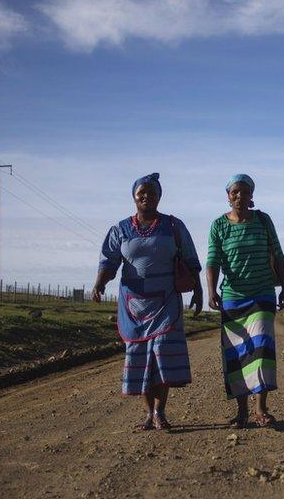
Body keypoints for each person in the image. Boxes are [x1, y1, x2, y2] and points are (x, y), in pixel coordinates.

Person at [92, 173, 203, 431]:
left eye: (152, 193)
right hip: (134, 305)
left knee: (162, 353)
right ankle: (148, 414)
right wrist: (100, 282)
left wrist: (198, 291)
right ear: (134, 196)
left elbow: (190, 260)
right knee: (140, 356)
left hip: (166, 302)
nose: (146, 196)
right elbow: (108, 261)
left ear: (159, 197)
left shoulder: (174, 226)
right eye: (141, 192)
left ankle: (159, 411)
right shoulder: (120, 229)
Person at [206, 174, 284, 428]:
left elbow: (278, 253)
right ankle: (241, 412)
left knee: (262, 350)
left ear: (252, 195)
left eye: (245, 192)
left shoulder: (263, 221)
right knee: (237, 354)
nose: (240, 197)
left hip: (262, 293)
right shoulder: (218, 225)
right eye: (235, 193)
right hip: (233, 297)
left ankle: (261, 409)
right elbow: (213, 260)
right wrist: (211, 290)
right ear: (228, 196)